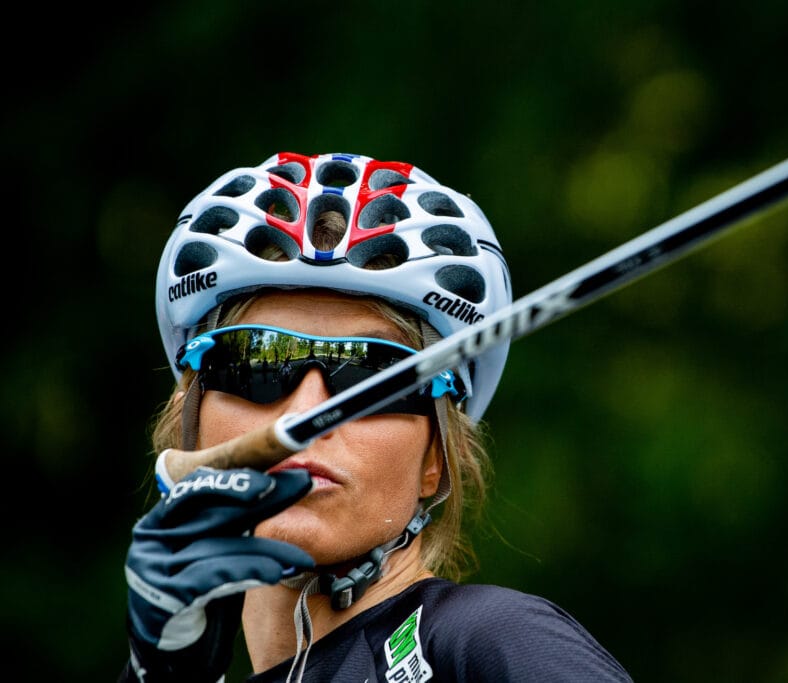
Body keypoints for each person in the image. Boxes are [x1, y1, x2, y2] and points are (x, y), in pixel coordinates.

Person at [120, 152, 633, 682]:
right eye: (256, 362)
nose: (308, 411)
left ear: (437, 455)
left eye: (372, 376)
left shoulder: (489, 642)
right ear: (189, 415)